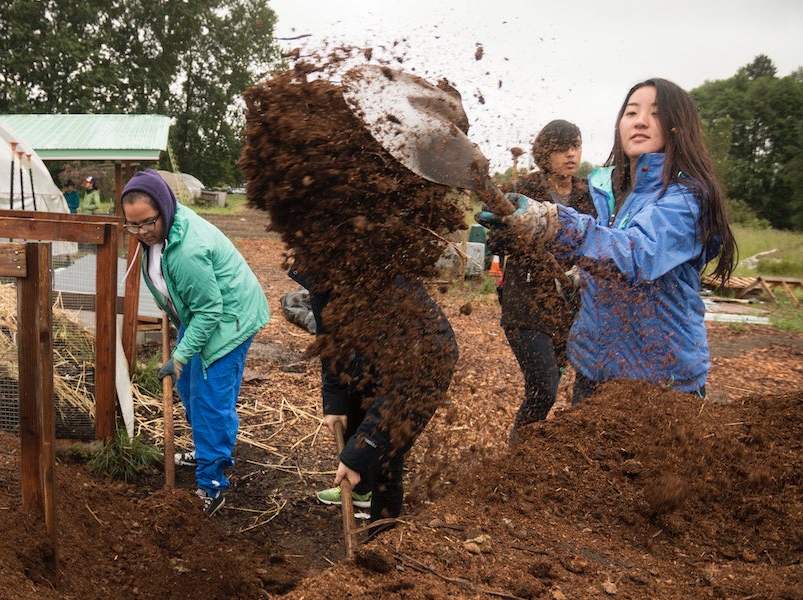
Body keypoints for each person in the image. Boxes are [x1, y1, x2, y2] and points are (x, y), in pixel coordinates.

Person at [482, 78, 736, 403]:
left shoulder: (686, 197)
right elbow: (604, 250)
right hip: (594, 371)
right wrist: (581, 278)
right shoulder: (608, 191)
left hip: (660, 382)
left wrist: (552, 223)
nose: (640, 120)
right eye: (631, 112)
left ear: (677, 127)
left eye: (655, 113)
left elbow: (636, 254)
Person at [119, 169, 270, 516]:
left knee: (210, 398)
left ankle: (212, 482)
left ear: (164, 209)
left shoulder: (188, 250)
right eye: (133, 225)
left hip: (229, 319)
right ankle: (208, 448)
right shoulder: (158, 234)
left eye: (147, 223)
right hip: (203, 314)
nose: (141, 232)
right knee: (188, 384)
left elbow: (209, 311)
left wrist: (181, 353)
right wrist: (182, 352)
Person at [289, 266, 458, 535]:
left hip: (420, 363)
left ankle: (381, 539)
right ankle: (361, 492)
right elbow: (329, 340)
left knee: (385, 454)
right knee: (357, 417)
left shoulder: (399, 306)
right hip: (370, 348)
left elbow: (397, 399)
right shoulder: (323, 268)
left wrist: (356, 455)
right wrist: (334, 401)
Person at [486, 120, 596, 443]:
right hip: (526, 304)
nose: (571, 155)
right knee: (544, 388)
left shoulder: (587, 195)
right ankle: (515, 459)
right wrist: (520, 234)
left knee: (562, 389)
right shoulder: (523, 190)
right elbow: (496, 241)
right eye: (562, 148)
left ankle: (531, 456)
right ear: (544, 154)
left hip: (568, 306)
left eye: (575, 146)